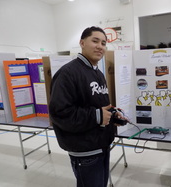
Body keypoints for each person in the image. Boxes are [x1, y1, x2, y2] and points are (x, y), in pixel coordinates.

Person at [49, 26, 124, 187]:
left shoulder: (97, 73)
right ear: (82, 43)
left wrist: (113, 115)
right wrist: (97, 116)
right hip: (85, 150)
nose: (100, 46)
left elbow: (99, 106)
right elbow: (60, 113)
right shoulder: (68, 73)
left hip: (101, 144)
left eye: (104, 43)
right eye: (95, 41)